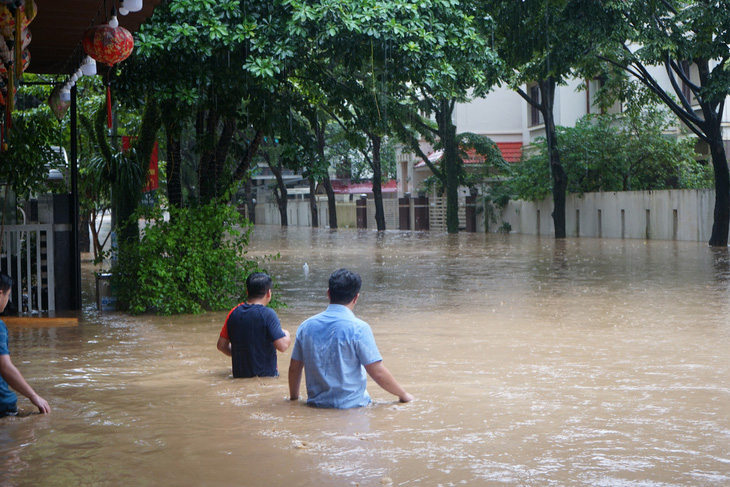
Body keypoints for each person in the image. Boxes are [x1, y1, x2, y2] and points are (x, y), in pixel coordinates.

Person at [288, 268, 414, 408]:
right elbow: (378, 373)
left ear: (328, 293)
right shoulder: (359, 328)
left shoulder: (306, 327)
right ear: (356, 297)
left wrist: (293, 399)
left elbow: (294, 368)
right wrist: (403, 395)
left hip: (316, 406)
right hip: (353, 409)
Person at [217, 272, 290, 378]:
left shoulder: (233, 313)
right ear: (269, 293)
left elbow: (221, 346)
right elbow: (282, 346)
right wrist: (286, 334)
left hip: (239, 378)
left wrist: (244, 354)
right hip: (266, 379)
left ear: (247, 292)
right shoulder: (268, 314)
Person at [0, 273, 51, 417]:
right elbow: (5, 367)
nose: (7, 300)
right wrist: (34, 396)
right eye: (8, 295)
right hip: (3, 407)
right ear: (0, 293)